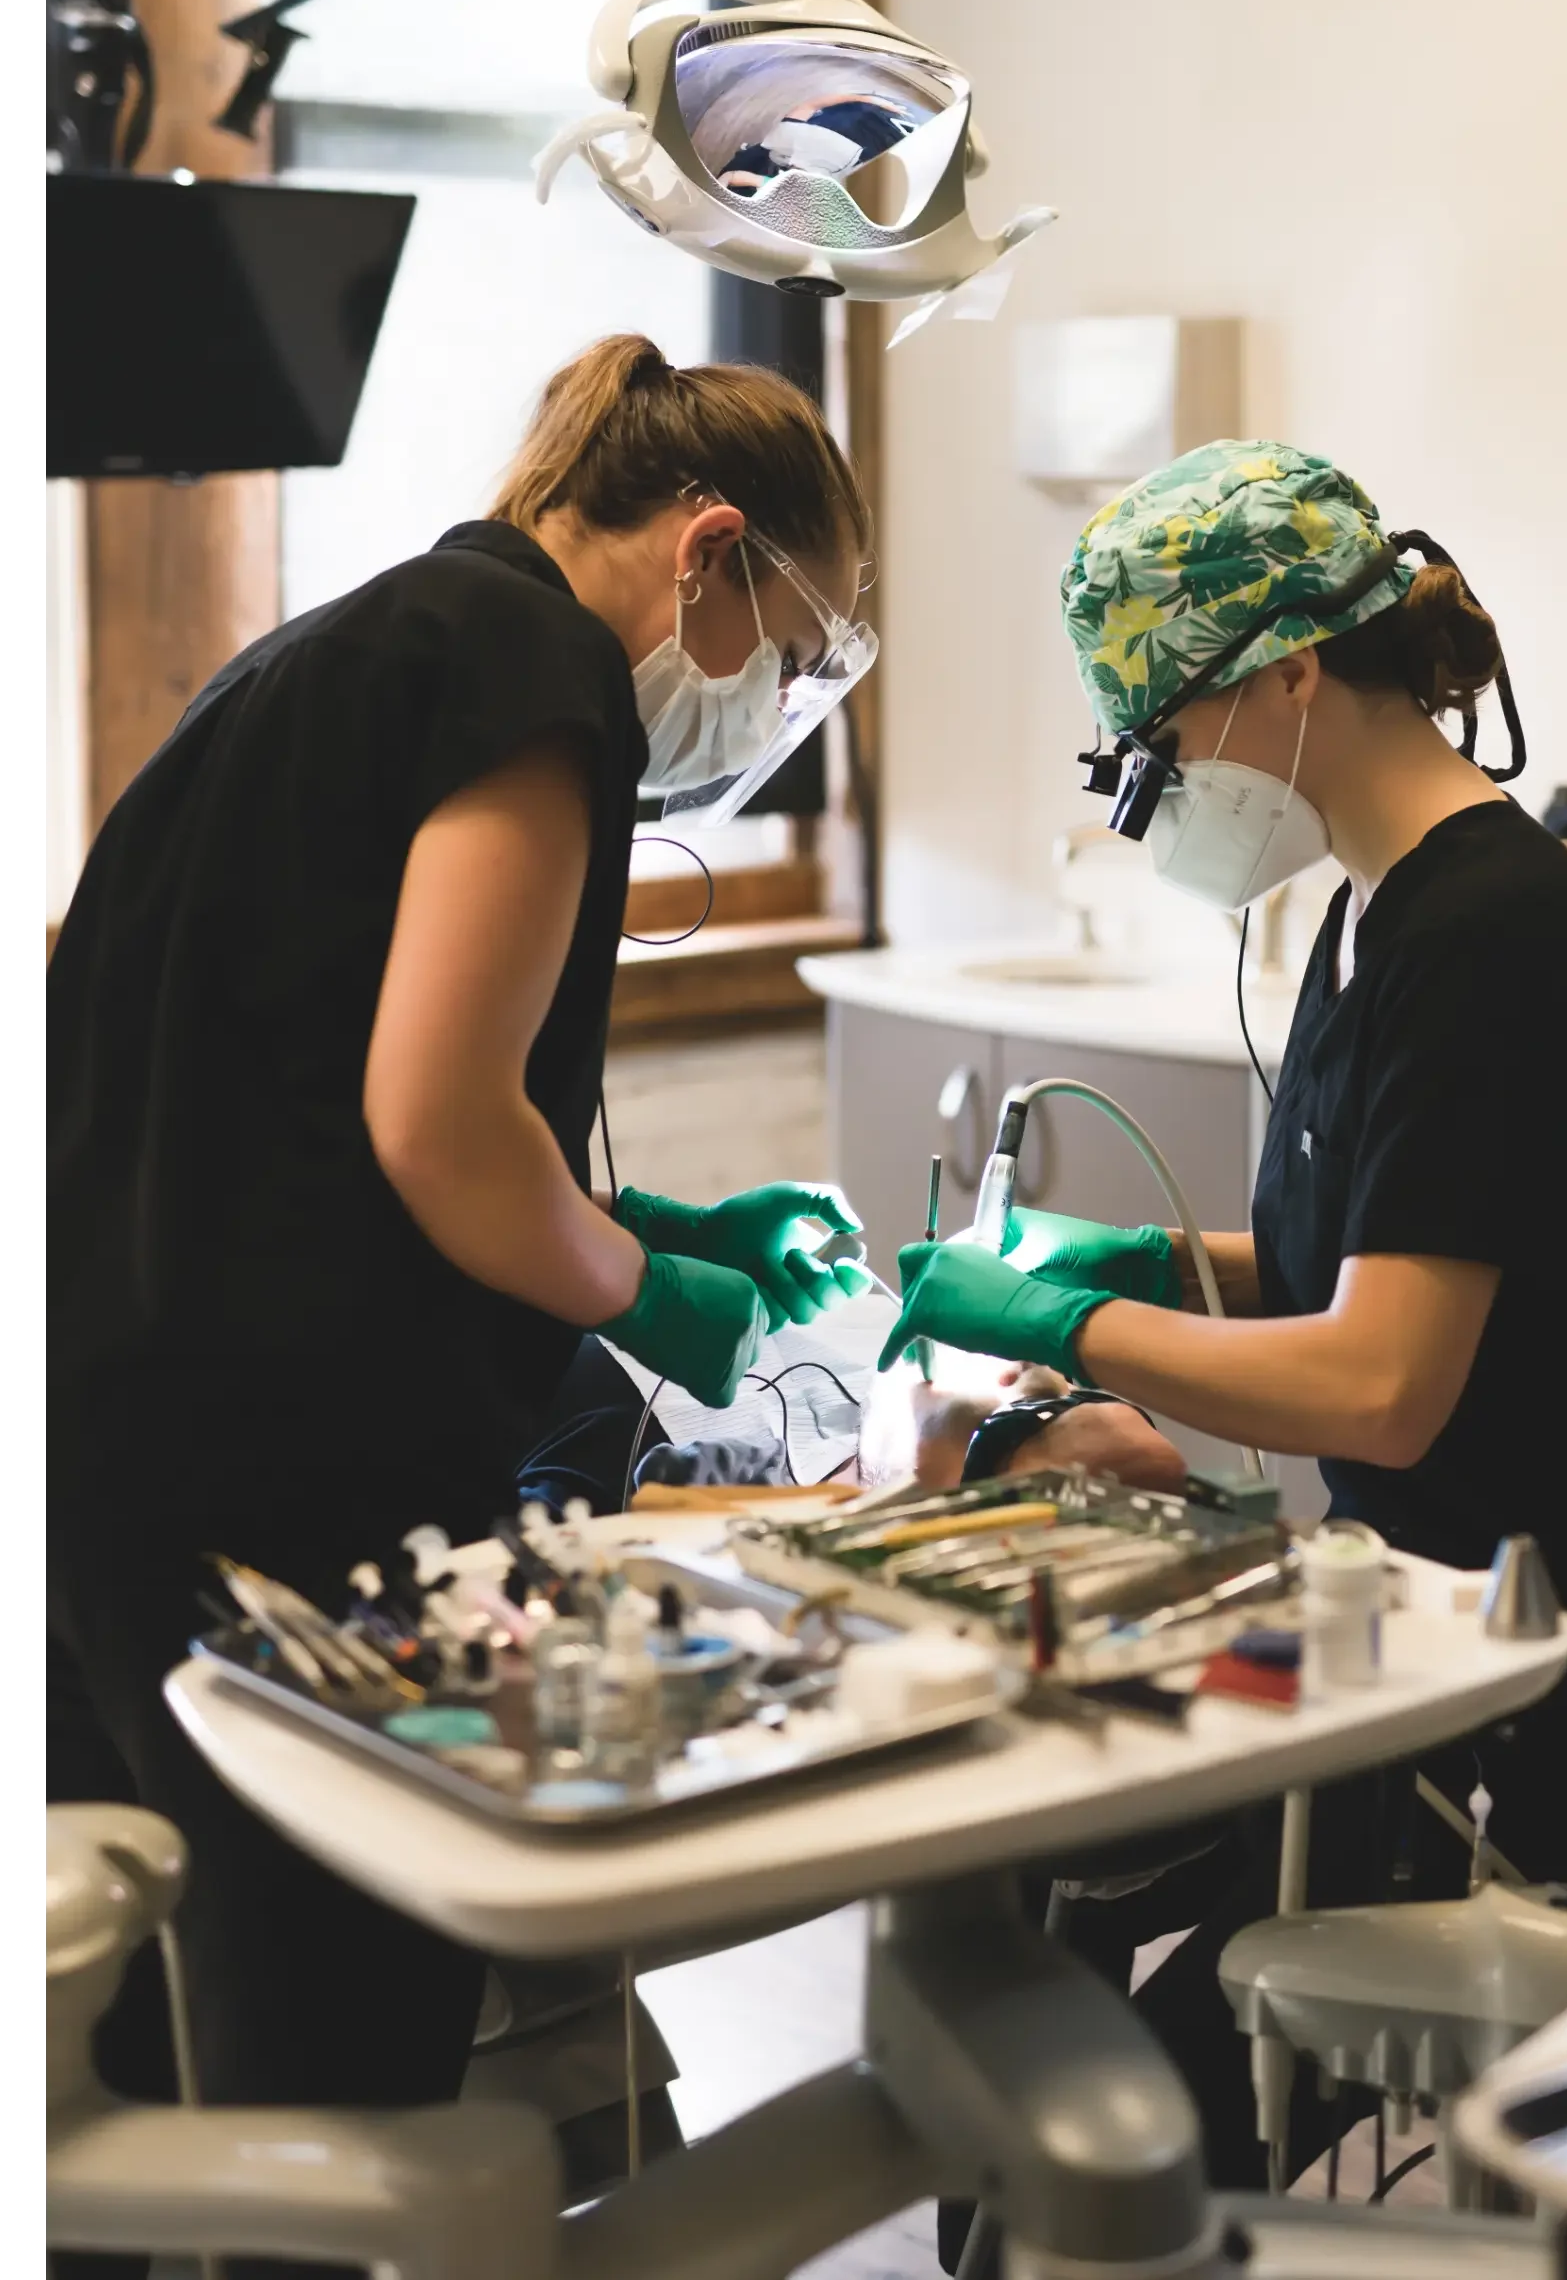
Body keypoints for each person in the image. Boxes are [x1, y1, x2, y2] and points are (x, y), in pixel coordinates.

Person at [40, 333, 872, 2276]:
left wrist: (623, 1210)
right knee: (332, 2103)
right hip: (265, 1500)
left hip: (98, 1462)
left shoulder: (340, 655)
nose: (772, 704)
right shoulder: (530, 673)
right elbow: (436, 1130)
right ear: (709, 553)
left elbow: (306, 1080)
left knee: (134, 2088)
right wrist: (655, 1292)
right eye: (798, 651)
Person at [881, 439, 1567, 1897]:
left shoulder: (1487, 931)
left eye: (1162, 742)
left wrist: (1060, 1326)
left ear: (1289, 674)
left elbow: (1383, 1388)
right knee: (1097, 1890)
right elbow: (1406, 1242)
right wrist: (1146, 1262)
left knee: (1176, 2042)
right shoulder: (1373, 909)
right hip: (1438, 1619)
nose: (1159, 787)